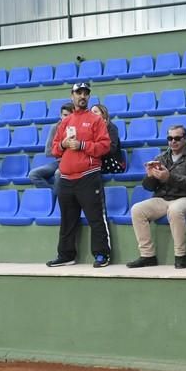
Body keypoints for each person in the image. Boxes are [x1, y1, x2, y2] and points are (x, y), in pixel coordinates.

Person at [46, 83, 111, 268]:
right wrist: (64, 145)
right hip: (66, 178)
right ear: (72, 95)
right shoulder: (65, 122)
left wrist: (82, 145)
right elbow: (55, 149)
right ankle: (65, 255)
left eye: (85, 93)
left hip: (88, 176)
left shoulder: (95, 120)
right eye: (78, 93)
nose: (82, 96)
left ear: (89, 97)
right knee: (67, 219)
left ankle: (101, 254)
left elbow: (104, 146)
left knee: (95, 217)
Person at [126, 125, 186, 269]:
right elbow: (149, 187)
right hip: (164, 198)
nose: (173, 141)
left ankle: (180, 255)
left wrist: (169, 177)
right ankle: (147, 256)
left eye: (177, 138)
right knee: (137, 210)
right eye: (170, 138)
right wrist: (150, 176)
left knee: (175, 210)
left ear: (185, 139)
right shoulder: (161, 158)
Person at [29, 103, 73, 194]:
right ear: (61, 115)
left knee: (58, 173)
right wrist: (62, 148)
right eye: (65, 115)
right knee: (33, 174)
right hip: (59, 161)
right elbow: (48, 151)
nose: (67, 118)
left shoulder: (77, 128)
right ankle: (54, 196)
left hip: (72, 162)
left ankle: (58, 200)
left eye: (70, 115)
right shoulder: (55, 128)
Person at [90, 104, 125, 174]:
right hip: (98, 160)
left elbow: (112, 149)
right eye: (91, 112)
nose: (92, 114)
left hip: (112, 160)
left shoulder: (112, 128)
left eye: (95, 111)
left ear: (103, 114)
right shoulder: (90, 129)